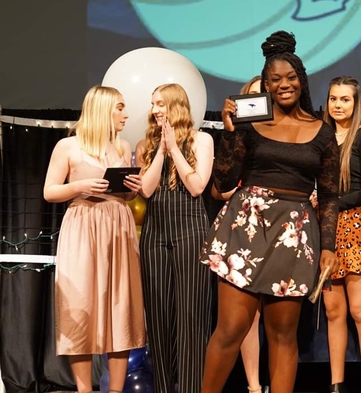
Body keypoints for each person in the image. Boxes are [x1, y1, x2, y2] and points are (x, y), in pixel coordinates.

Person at [199, 30, 340, 393]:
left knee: (282, 334)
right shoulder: (248, 125)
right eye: (275, 79)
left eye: (290, 77)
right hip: (246, 225)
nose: (284, 85)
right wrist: (230, 133)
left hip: (293, 233)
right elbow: (224, 180)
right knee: (231, 328)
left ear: (301, 80)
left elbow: (329, 195)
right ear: (266, 84)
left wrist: (328, 246)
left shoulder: (323, 133)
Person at [43, 85, 146, 393]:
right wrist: (80, 186)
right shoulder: (68, 146)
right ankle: (84, 389)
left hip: (117, 228)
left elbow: (124, 196)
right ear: (102, 109)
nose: (126, 114)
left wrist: (131, 189)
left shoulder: (121, 146)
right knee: (80, 306)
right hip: (83, 227)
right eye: (120, 107)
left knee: (120, 307)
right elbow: (50, 191)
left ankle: (115, 390)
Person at [135, 83, 214, 393]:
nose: (155, 109)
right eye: (153, 103)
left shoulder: (201, 140)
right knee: (158, 317)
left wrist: (175, 149)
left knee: (191, 316)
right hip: (155, 233)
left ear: (176, 106)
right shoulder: (145, 144)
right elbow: (146, 189)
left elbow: (197, 187)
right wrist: (160, 150)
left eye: (161, 104)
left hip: (190, 231)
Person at [322, 76, 361, 393]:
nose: (338, 104)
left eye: (345, 99)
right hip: (326, 229)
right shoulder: (320, 138)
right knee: (333, 312)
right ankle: (336, 384)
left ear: (356, 103)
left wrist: (335, 202)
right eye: (333, 98)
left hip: (358, 226)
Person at [211, 75, 269, 393]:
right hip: (243, 227)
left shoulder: (287, 136)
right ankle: (254, 386)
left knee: (278, 315)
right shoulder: (237, 137)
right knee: (247, 315)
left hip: (279, 227)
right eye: (254, 97)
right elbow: (218, 189)